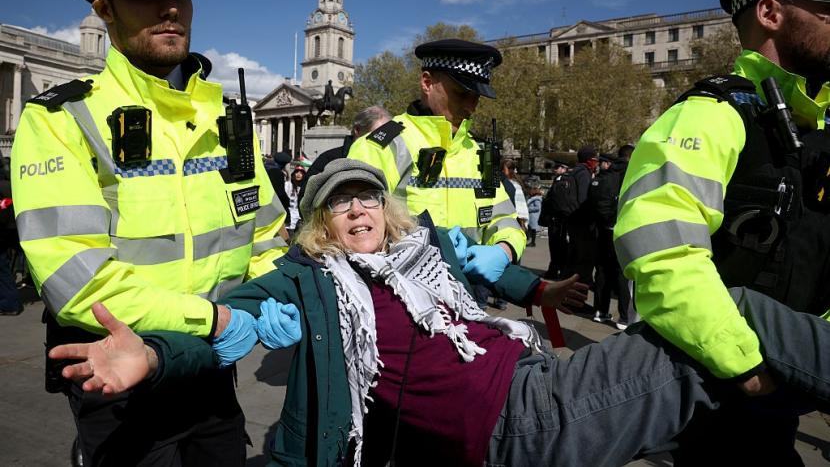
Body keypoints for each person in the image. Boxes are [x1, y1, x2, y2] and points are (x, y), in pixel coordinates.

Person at [49, 159, 830, 467]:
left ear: (383, 209)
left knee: (738, 385)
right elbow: (234, 327)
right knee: (736, 322)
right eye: (337, 203)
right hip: (522, 419)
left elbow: (475, 272)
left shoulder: (421, 254)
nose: (356, 209)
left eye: (365, 196)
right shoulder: (312, 281)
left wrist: (539, 292)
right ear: (321, 225)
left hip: (540, 375)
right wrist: (153, 355)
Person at [10, 0, 288, 465]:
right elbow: (77, 279)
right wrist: (214, 320)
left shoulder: (227, 117)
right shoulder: (62, 118)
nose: (170, 8)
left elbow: (264, 230)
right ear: (104, 9)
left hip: (211, 369)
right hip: (117, 378)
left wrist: (275, 295)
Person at [614, 0, 830, 464]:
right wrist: (748, 368)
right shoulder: (711, 115)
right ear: (771, 13)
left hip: (784, 391)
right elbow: (662, 251)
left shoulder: (815, 132)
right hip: (723, 390)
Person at [348, 39, 526, 289]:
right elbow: (351, 230)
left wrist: (504, 250)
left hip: (467, 304)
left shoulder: (481, 154)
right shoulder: (380, 146)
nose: (471, 106)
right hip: (398, 298)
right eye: (462, 93)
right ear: (427, 82)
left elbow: (503, 219)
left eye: (477, 97)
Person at [299, 105, 392, 198]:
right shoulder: (328, 160)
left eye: (388, 134)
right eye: (379, 134)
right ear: (357, 130)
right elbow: (305, 199)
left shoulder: (395, 160)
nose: (385, 140)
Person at [589, 148, 632, 329]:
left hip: (603, 230)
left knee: (603, 270)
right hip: (624, 229)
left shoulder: (605, 177)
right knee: (623, 274)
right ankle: (624, 317)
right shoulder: (632, 174)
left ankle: (600, 310)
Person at [564, 145, 598, 288]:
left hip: (572, 219)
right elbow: (584, 198)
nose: (596, 162)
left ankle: (570, 279)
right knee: (584, 256)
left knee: (575, 252)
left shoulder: (573, 172)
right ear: (589, 160)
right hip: (582, 221)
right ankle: (582, 283)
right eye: (594, 159)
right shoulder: (584, 174)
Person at [0, 151, 22, 315]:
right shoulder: (12, 184)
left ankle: (10, 303)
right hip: (17, 228)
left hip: (5, 230)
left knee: (2, 267)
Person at [285, 165, 305, 238]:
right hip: (288, 221)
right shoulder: (288, 185)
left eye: (301, 172)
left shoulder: (304, 187)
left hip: (299, 221)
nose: (299, 174)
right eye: (297, 172)